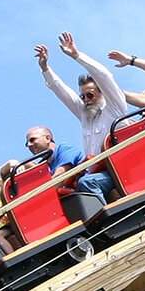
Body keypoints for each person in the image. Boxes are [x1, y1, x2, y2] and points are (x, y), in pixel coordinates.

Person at [37, 34, 129, 198]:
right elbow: (62, 92)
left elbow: (104, 76)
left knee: (87, 183)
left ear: (102, 93)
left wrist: (76, 55)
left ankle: (105, 220)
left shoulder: (114, 108)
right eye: (83, 97)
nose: (86, 100)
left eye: (90, 95)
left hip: (119, 167)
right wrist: (45, 68)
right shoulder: (86, 115)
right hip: (96, 172)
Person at [23, 126, 101, 195]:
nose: (29, 145)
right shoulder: (46, 165)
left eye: (32, 140)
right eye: (27, 144)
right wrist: (14, 164)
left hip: (86, 191)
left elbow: (59, 177)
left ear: (47, 138)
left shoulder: (64, 149)